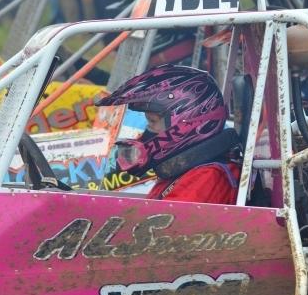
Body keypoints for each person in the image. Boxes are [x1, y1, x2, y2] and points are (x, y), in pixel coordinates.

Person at [95, 64, 241, 204]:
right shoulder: (180, 172)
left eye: (152, 121)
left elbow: (167, 225)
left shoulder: (207, 177)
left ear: (186, 124)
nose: (145, 134)